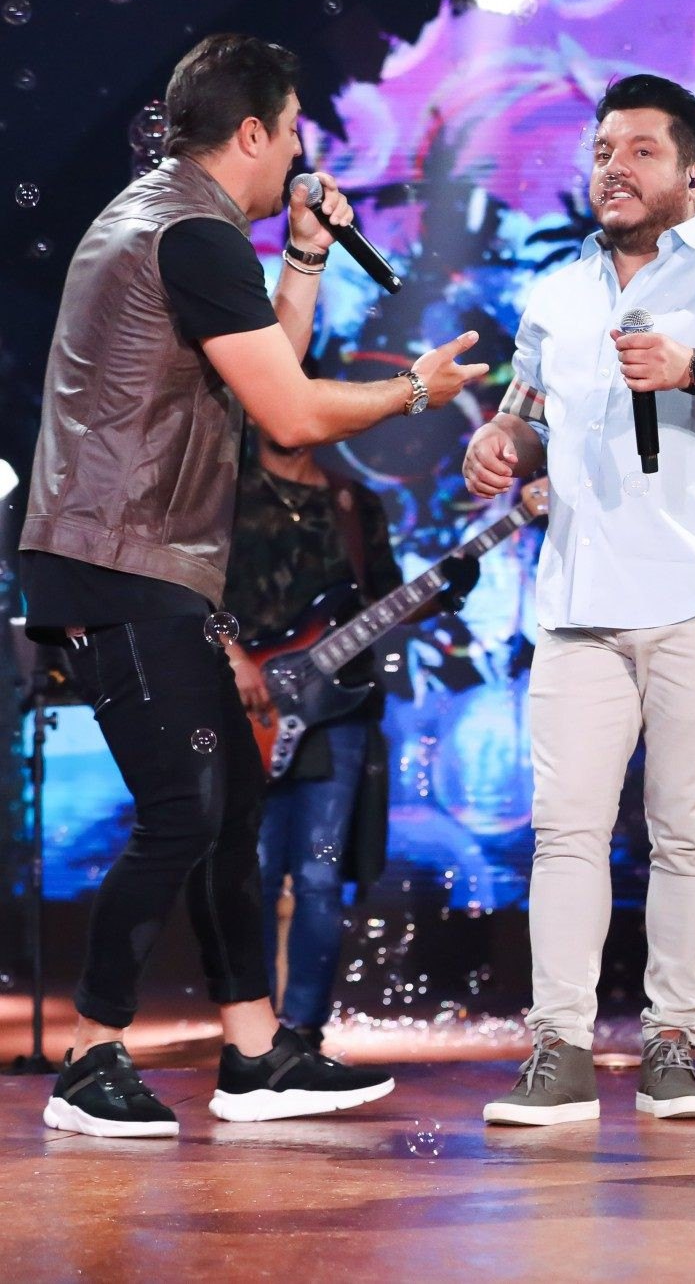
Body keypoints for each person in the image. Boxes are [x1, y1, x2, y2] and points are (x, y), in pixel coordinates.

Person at [19, 32, 483, 1137]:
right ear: (252, 132)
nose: (301, 154)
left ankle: (256, 1053)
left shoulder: (176, 222)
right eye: (294, 131)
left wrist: (307, 256)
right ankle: (90, 1057)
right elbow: (290, 413)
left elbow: (262, 362)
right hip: (118, 557)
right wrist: (415, 390)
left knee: (227, 799)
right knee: (186, 810)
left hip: (140, 552)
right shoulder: (190, 234)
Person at [464, 74, 695, 1126]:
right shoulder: (558, 292)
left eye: (640, 151)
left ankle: (673, 1042)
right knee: (565, 831)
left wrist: (694, 366)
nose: (613, 168)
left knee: (685, 832)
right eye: (601, 151)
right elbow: (528, 415)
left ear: (693, 174)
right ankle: (560, 1049)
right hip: (580, 594)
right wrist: (501, 443)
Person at [224, 426, 478, 1051]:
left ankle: (303, 1031)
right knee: (253, 874)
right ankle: (253, 1034)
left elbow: (382, 599)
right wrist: (232, 656)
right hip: (248, 706)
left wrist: (446, 592)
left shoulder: (351, 501)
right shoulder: (224, 492)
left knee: (320, 876)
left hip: (338, 711)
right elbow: (193, 589)